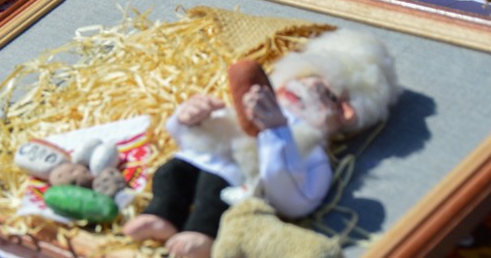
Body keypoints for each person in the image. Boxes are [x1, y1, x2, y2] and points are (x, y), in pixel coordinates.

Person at [123, 28, 401, 258]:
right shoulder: (250, 104)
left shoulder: (310, 150)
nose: (304, 87)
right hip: (199, 159)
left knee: (213, 190)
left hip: (236, 183)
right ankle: (160, 215)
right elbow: (189, 140)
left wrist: (276, 133)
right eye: (304, 77)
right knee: (169, 173)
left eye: (323, 92)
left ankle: (202, 234)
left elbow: (295, 202)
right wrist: (187, 119)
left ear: (344, 112)